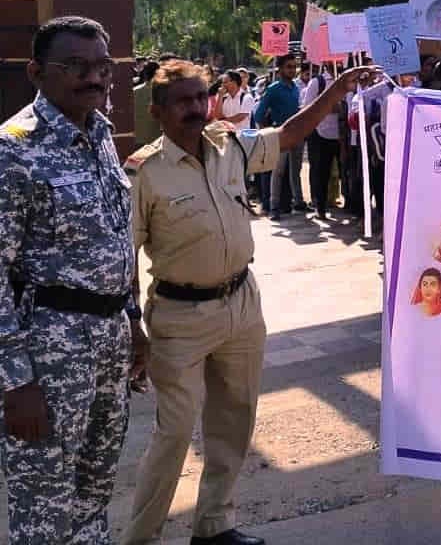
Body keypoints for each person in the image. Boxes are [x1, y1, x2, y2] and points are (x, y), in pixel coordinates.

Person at [124, 59, 374, 545]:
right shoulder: (144, 172)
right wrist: (134, 326)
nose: (195, 108)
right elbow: (124, 257)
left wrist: (339, 90)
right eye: (182, 101)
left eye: (201, 98)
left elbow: (290, 134)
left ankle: (214, 526)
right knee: (174, 432)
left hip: (241, 304)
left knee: (234, 419)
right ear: (158, 111)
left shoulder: (231, 146)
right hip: (179, 316)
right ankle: (141, 537)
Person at [0, 16, 146, 544]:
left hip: (109, 343)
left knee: (94, 493)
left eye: (103, 66)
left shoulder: (99, 133)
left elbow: (113, 238)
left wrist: (133, 322)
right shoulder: (14, 149)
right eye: (76, 66)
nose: (94, 77)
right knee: (44, 505)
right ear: (37, 73)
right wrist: (16, 382)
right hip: (49, 353)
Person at [252, 53, 308, 219]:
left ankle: (299, 202)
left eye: (294, 67)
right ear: (280, 69)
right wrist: (268, 132)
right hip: (280, 135)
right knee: (278, 172)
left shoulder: (296, 88)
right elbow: (258, 114)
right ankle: (274, 207)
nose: (292, 70)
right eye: (288, 67)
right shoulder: (273, 89)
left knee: (296, 171)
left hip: (297, 133)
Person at [300, 64, 342, 220]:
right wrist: (330, 107)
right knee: (321, 172)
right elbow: (307, 108)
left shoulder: (347, 79)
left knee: (346, 173)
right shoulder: (317, 82)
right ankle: (320, 207)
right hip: (320, 133)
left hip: (342, 135)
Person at [132, 59, 162, 146]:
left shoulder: (134, 92)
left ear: (145, 74)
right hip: (156, 142)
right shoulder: (164, 93)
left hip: (137, 140)